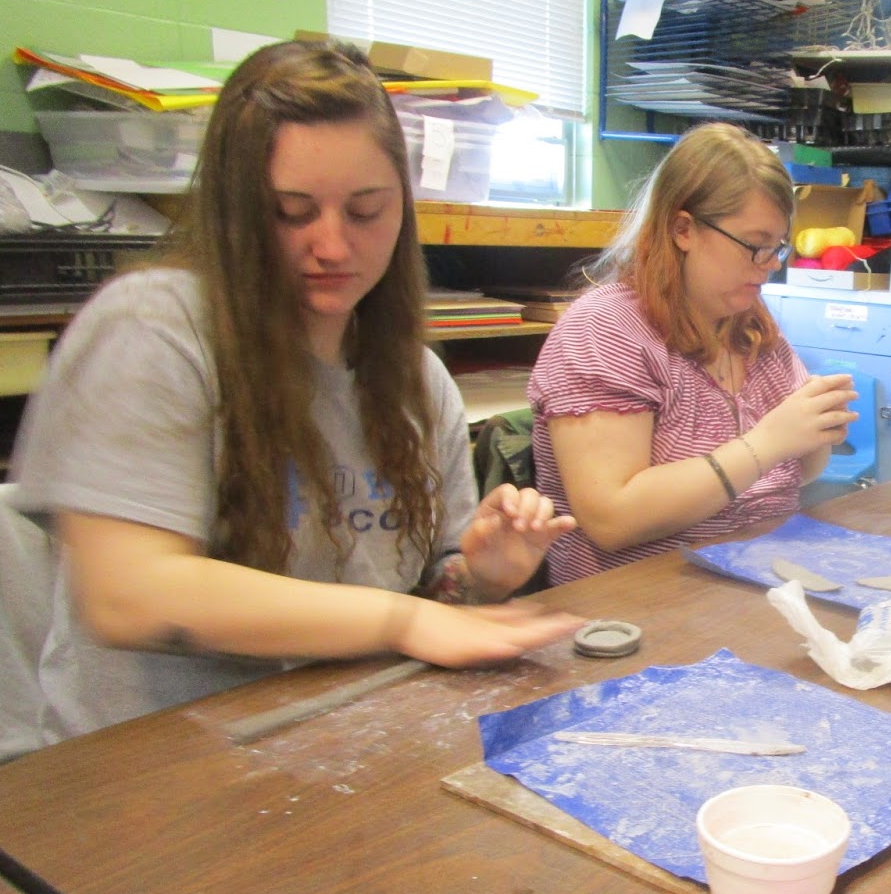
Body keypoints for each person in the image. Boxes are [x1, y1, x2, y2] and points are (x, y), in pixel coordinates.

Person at [9, 39, 582, 750]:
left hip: (335, 741)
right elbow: (128, 593)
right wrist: (398, 621)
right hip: (146, 771)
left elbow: (439, 589)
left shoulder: (415, 380)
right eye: (291, 212)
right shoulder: (154, 328)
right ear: (236, 213)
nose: (333, 246)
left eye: (366, 211)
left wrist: (484, 577)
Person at [528, 122, 858, 583]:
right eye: (754, 247)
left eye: (776, 248)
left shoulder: (749, 323)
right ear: (684, 229)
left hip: (758, 582)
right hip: (638, 606)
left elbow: (796, 475)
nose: (768, 267)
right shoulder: (606, 331)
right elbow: (611, 519)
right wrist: (767, 443)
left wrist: (818, 429)